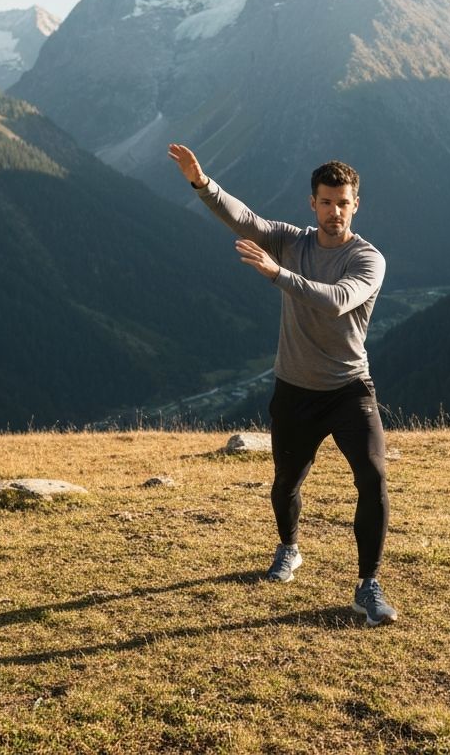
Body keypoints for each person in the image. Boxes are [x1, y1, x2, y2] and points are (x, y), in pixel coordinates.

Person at [167, 143, 397, 626]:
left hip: (350, 389)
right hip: (294, 389)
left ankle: (368, 585)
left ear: (357, 205)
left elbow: (337, 300)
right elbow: (246, 220)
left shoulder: (368, 259)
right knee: (287, 482)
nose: (335, 211)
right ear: (312, 204)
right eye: (326, 202)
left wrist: (276, 274)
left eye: (343, 202)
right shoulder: (294, 240)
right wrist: (201, 182)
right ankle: (289, 548)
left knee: (373, 478)